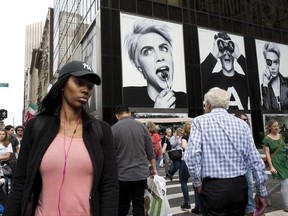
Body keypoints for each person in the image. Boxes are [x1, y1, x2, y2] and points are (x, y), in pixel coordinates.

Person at [3, 60, 119, 216]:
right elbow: (21, 182)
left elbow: (109, 185)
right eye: (79, 83)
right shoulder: (36, 127)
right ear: (63, 85)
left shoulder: (101, 131)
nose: (86, 90)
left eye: (90, 86)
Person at [184, 87, 268, 216]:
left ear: (208, 104)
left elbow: (192, 156)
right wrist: (261, 191)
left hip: (213, 187)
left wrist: (197, 183)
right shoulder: (242, 124)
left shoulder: (199, 122)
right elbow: (255, 160)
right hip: (239, 186)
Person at [123, 18, 187, 108]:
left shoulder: (185, 100)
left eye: (164, 48)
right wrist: (157, 112)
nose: (160, 57)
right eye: (147, 52)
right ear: (138, 66)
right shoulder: (127, 97)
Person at [112, 105, 157, 216]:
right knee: (138, 204)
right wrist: (154, 169)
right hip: (140, 174)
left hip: (122, 175)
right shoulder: (142, 127)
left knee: (122, 205)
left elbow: (110, 155)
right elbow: (150, 151)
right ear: (129, 113)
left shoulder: (113, 129)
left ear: (117, 116)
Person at [201, 32, 249, 110]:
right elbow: (196, 82)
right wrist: (214, 54)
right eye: (223, 50)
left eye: (229, 50)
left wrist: (238, 55)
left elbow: (255, 83)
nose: (226, 54)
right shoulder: (211, 79)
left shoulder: (244, 80)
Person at [262, 119, 288, 212]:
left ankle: (269, 194)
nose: (276, 128)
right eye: (274, 126)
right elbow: (267, 154)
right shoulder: (267, 139)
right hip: (275, 161)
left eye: (277, 126)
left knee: (284, 182)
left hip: (284, 160)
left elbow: (283, 148)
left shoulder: (281, 136)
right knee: (285, 182)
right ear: (270, 127)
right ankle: (286, 206)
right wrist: (271, 166)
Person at [234, 111, 256, 216]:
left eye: (246, 119)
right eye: (244, 119)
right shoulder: (232, 130)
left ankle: (250, 207)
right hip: (235, 163)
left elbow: (251, 148)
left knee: (250, 184)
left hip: (247, 162)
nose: (246, 121)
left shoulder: (247, 129)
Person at [261, 42, 288, 110]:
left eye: (275, 62)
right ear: (265, 63)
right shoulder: (264, 86)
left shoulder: (287, 82)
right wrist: (265, 84)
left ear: (279, 62)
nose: (273, 67)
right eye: (269, 62)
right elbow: (267, 111)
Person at [0, 129, 13, 195]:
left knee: (4, 185)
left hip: (4, 166)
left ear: (5, 135)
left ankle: (4, 202)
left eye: (3, 134)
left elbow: (7, 156)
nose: (1, 136)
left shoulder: (8, 144)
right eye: (0, 134)